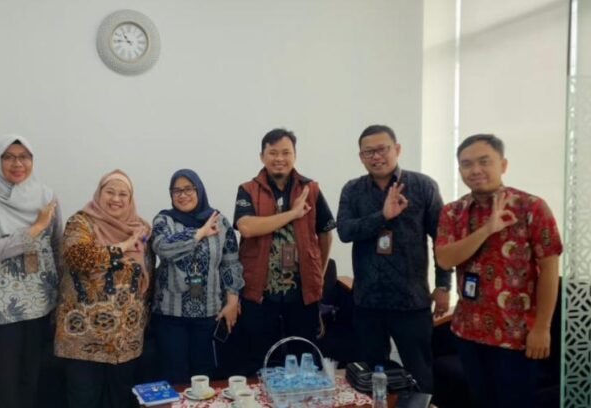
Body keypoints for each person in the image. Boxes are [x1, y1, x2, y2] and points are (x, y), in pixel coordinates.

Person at [434, 134, 562, 408]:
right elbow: (444, 259)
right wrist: (486, 230)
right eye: (467, 164)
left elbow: (550, 269)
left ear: (503, 165)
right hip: (468, 331)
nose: (475, 170)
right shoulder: (453, 212)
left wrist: (542, 328)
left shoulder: (531, 207)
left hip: (516, 335)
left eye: (484, 161)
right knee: (480, 401)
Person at [336, 125, 451, 393]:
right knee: (371, 377)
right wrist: (383, 217)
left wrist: (444, 285)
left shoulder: (422, 186)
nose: (376, 157)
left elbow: (442, 239)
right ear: (361, 157)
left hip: (411, 300)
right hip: (367, 300)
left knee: (419, 374)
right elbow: (345, 231)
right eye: (369, 152)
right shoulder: (353, 190)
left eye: (382, 149)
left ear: (397, 149)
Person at [0, 135, 62, 408]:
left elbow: (57, 245)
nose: (17, 164)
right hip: (1, 309)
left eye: (24, 157)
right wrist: (35, 228)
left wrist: (62, 296)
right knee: (2, 383)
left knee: (33, 381)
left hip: (41, 302)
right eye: (8, 157)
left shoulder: (47, 196)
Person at [233, 128, 335, 375]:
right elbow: (247, 227)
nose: (279, 158)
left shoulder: (311, 189)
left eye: (286, 152)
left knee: (304, 360)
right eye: (273, 153)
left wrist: (318, 275)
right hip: (259, 292)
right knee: (258, 361)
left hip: (302, 293)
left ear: (295, 155)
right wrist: (292, 214)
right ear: (262, 156)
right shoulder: (248, 189)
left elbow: (325, 233)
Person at [55, 169, 152, 408]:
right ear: (99, 193)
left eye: (123, 194)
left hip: (126, 340)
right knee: (84, 400)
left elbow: (148, 274)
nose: (116, 199)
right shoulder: (81, 223)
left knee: (120, 401)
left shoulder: (141, 228)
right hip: (84, 340)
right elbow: (78, 257)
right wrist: (123, 246)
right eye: (110, 192)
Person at [151, 169, 244, 383]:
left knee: (205, 378)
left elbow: (230, 263)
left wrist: (232, 301)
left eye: (188, 189)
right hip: (171, 314)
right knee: (175, 377)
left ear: (199, 190)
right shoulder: (164, 220)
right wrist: (200, 233)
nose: (182, 195)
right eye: (176, 191)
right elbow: (163, 247)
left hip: (210, 314)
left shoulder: (219, 221)